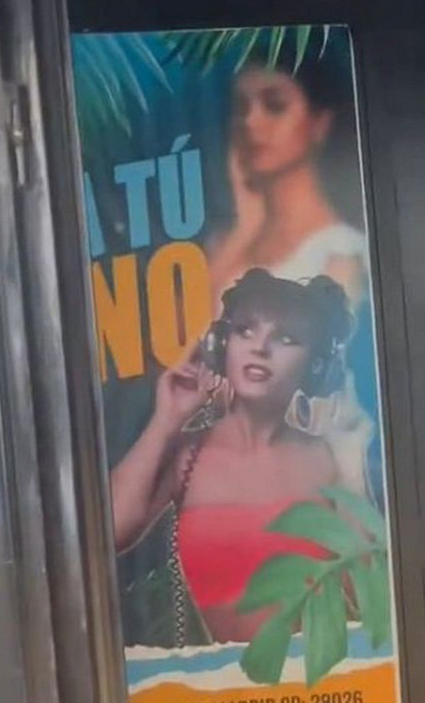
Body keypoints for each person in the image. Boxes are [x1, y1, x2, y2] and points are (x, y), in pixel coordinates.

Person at [110, 269, 360, 644]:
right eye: (245, 330)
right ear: (218, 346)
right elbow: (106, 532)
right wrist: (165, 421)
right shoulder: (185, 457)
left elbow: (374, 600)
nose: (260, 347)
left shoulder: (329, 457)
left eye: (286, 338)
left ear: (317, 368)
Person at [208, 45, 368, 306]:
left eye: (275, 105)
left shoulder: (341, 259)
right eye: (241, 108)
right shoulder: (226, 242)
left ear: (320, 123)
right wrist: (244, 231)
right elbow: (183, 341)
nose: (251, 121)